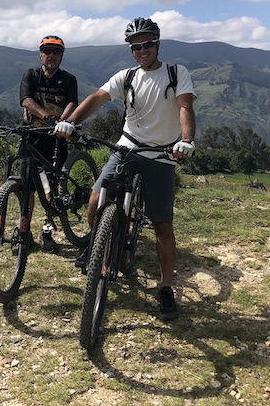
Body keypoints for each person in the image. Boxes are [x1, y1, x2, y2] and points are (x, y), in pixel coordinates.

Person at [54, 17, 196, 320]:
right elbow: (96, 98)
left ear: (157, 44)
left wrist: (186, 140)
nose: (141, 50)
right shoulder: (127, 76)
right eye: (135, 46)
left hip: (162, 154)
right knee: (96, 201)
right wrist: (71, 121)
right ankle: (101, 244)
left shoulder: (175, 73)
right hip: (128, 147)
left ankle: (166, 289)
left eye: (146, 44)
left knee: (162, 226)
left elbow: (185, 106)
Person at [20, 35, 79, 253]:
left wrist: (62, 122)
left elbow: (73, 102)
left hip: (56, 138)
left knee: (52, 187)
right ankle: (24, 233)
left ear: (62, 56)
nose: (51, 55)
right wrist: (48, 117)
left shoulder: (69, 79)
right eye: (47, 51)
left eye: (56, 52)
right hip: (32, 136)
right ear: (40, 55)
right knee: (27, 187)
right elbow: (26, 100)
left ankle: (47, 232)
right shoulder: (31, 75)